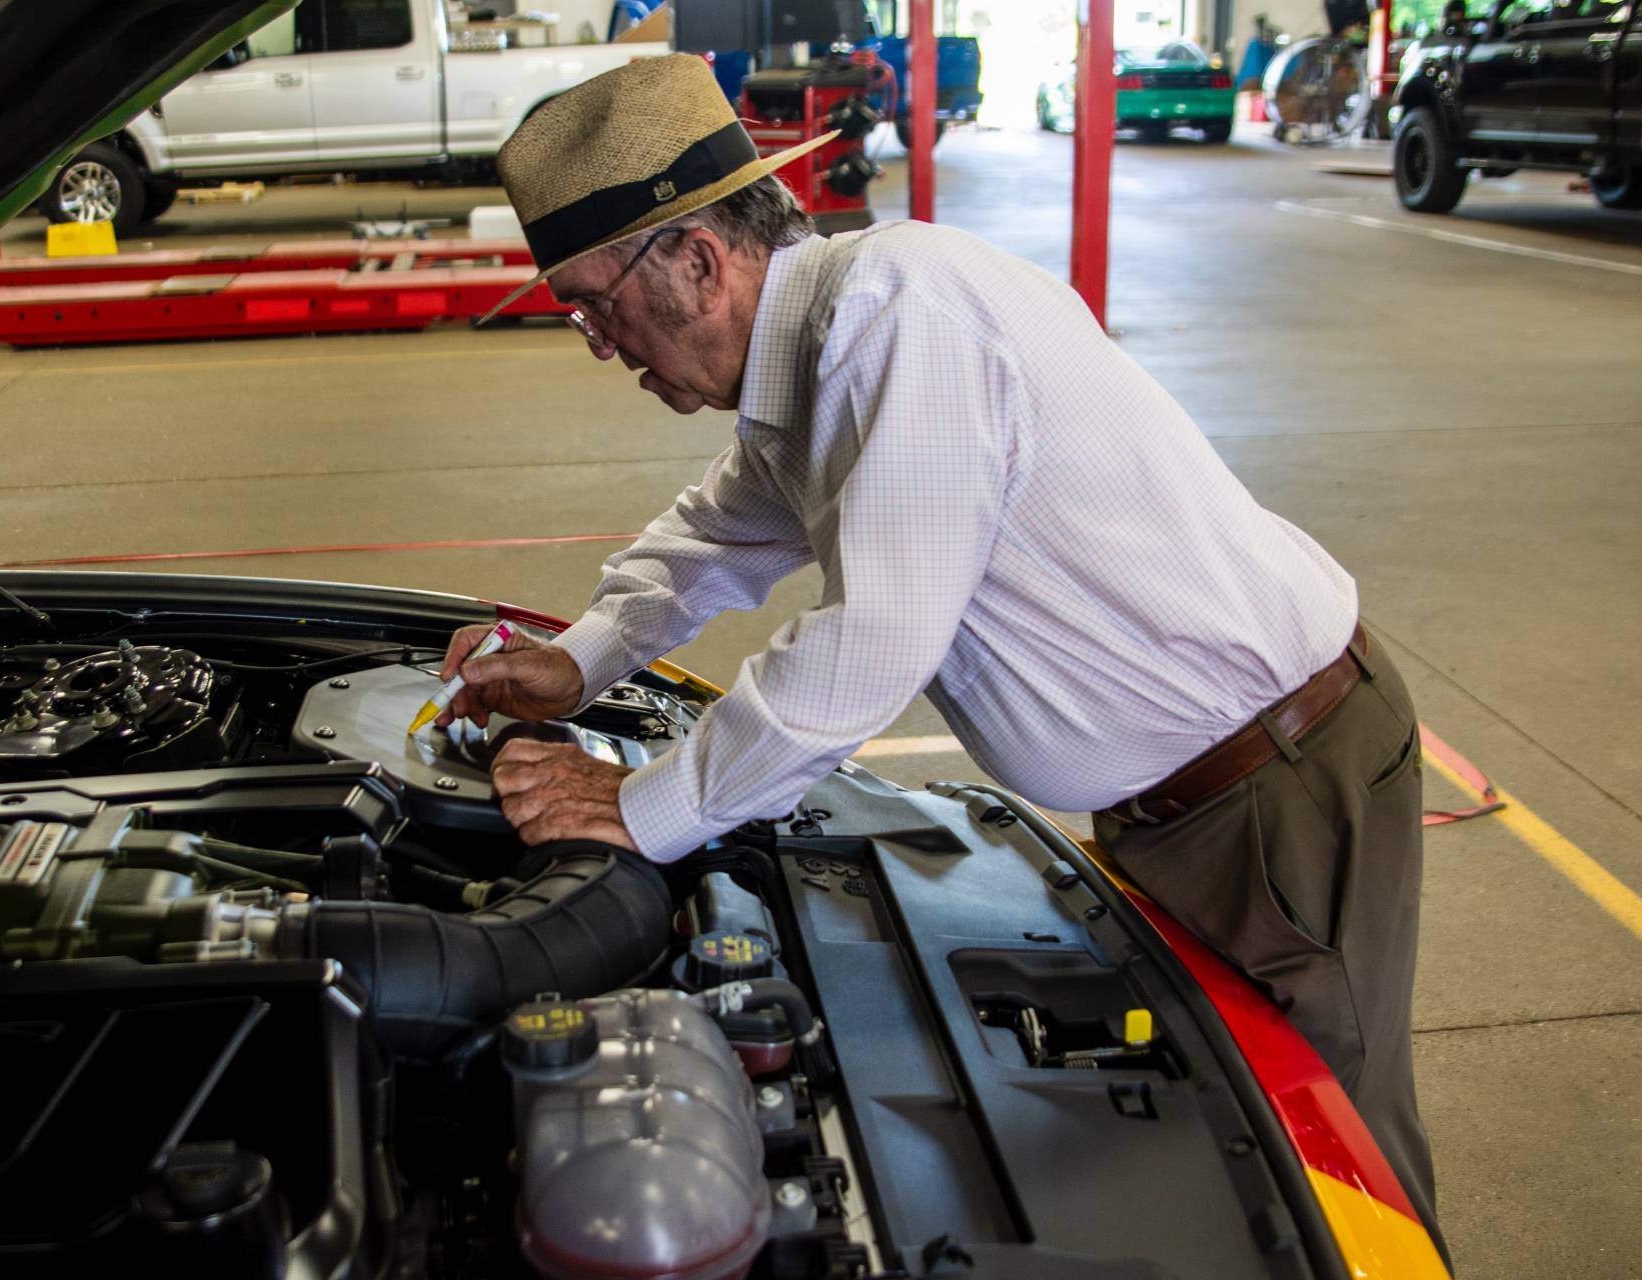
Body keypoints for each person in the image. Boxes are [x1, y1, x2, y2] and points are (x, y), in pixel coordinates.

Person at [439, 55, 1446, 1265]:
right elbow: (713, 538)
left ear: (698, 260)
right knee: (1250, 1161)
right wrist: (579, 662)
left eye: (593, 305)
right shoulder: (810, 364)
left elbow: (873, 639)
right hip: (1187, 803)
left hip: (1278, 789)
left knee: (1336, 1176)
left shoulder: (902, 319)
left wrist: (644, 804)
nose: (600, 344)